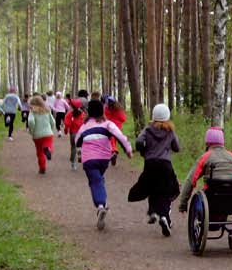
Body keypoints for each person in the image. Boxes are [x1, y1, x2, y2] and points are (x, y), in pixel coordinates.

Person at [177, 126, 232, 223]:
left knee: (200, 196)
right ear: (222, 142)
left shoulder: (205, 157)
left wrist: (183, 205)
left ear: (207, 142)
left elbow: (191, 180)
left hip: (212, 199)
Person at [76, 98, 133, 230]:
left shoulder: (84, 126)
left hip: (89, 160)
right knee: (98, 179)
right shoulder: (107, 124)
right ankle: (102, 202)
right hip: (103, 160)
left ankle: (101, 205)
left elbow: (77, 140)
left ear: (88, 112)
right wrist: (128, 150)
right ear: (102, 111)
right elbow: (120, 137)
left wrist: (80, 149)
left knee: (95, 182)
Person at [128, 103, 181, 236]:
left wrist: (144, 152)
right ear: (167, 116)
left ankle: (152, 212)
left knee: (151, 187)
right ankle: (163, 216)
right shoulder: (170, 131)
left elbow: (139, 142)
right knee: (167, 190)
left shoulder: (148, 129)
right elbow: (177, 147)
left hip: (150, 163)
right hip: (165, 164)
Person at [26, 95, 55, 174]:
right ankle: (48, 149)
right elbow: (53, 122)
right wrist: (51, 129)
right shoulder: (47, 110)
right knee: (48, 146)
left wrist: (32, 131)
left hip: (37, 135)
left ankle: (42, 168)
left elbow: (31, 122)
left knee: (39, 152)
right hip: (48, 134)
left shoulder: (32, 112)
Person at [104, 95, 127, 166]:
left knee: (111, 139)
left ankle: (113, 151)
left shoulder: (106, 109)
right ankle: (113, 153)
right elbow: (123, 119)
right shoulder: (119, 109)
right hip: (117, 127)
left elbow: (103, 118)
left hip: (109, 126)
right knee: (114, 140)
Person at [63, 99, 86, 171]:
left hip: (73, 134)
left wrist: (66, 131)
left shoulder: (69, 114)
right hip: (82, 133)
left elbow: (67, 124)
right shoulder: (83, 114)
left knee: (73, 147)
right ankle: (80, 152)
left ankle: (73, 163)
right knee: (81, 145)